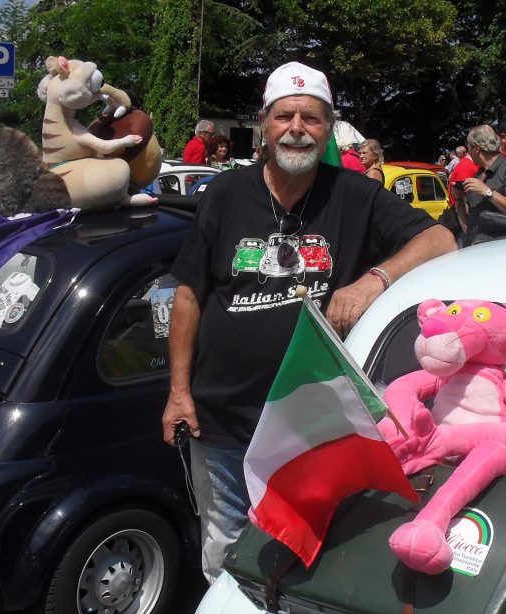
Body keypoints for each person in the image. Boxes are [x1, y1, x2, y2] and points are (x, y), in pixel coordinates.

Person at [161, 61, 455, 581]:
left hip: (311, 425)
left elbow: (442, 239)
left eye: (312, 118)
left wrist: (373, 281)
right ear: (264, 124)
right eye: (285, 116)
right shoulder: (225, 195)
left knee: (306, 547)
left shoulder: (354, 195)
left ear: (328, 127)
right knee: (224, 546)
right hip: (221, 419)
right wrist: (178, 391)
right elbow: (188, 295)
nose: (297, 127)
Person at [455, 124, 506, 247]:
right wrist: (459, 199)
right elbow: (470, 219)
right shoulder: (479, 174)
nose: (468, 153)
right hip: (475, 249)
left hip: (500, 252)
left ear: (477, 148)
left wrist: (488, 192)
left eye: (469, 148)